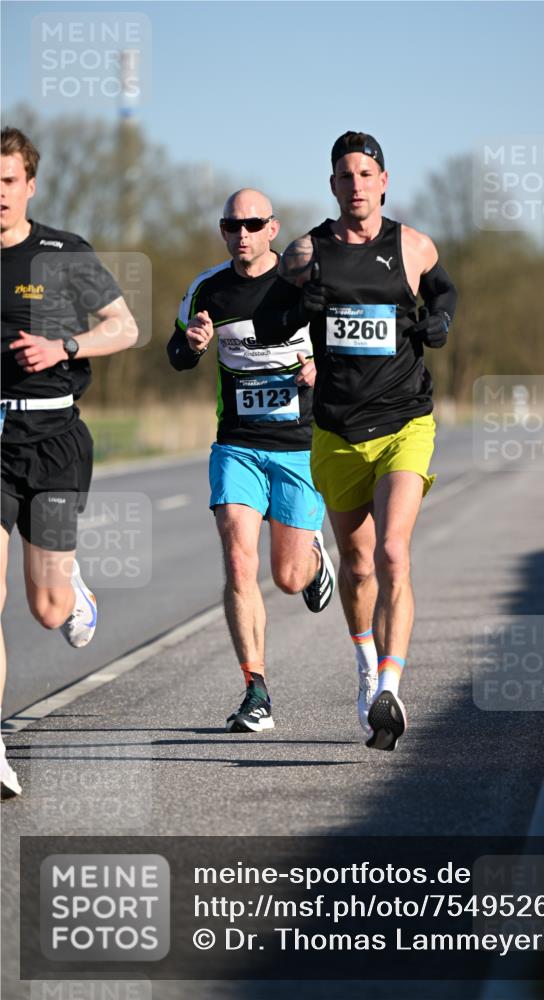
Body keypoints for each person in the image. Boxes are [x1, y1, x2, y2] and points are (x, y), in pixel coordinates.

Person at [254, 131, 457, 751]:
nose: (356, 185)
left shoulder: (414, 246)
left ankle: (391, 688)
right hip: (337, 429)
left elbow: (444, 290)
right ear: (333, 184)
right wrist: (299, 308)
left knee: (394, 553)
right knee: (359, 563)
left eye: (367, 174)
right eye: (345, 176)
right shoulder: (304, 252)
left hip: (404, 420)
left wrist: (440, 319)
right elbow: (268, 325)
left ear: (384, 180)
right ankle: (367, 669)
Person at [0, 127, 139, 797]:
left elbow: (126, 327)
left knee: (49, 609)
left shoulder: (64, 253)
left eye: (7, 182)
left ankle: (71, 586)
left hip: (52, 437)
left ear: (30, 184)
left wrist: (65, 346)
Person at [167, 188, 335, 735]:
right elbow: (177, 355)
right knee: (240, 562)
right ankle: (255, 689)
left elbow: (343, 356)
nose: (241, 234)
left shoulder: (305, 284)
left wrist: (319, 371)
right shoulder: (206, 289)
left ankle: (313, 558)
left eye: (253, 224)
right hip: (236, 443)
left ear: (272, 228)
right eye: (231, 225)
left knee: (287, 579)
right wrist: (192, 346)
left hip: (297, 445)